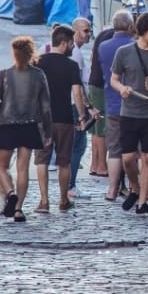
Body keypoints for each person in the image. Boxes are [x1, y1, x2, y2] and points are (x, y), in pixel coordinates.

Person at [110, 12, 148, 217]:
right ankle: (135, 188)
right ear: (142, 31)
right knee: (128, 158)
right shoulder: (124, 52)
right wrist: (122, 88)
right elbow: (114, 79)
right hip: (129, 112)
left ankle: (142, 202)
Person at [0, 36, 52, 222]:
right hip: (29, 125)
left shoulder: (4, 74)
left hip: (7, 124)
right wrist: (47, 132)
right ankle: (18, 209)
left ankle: (10, 192)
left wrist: (1, 101)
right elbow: (46, 106)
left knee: (2, 166)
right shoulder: (39, 75)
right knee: (23, 169)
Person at [35, 25, 89, 212]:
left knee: (42, 160)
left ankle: (43, 201)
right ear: (64, 43)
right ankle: (63, 200)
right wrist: (82, 115)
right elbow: (77, 93)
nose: (73, 47)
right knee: (63, 161)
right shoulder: (71, 66)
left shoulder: (39, 62)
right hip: (64, 118)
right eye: (72, 43)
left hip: (43, 118)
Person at [98, 11, 134, 201]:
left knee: (114, 149)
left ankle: (112, 189)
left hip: (111, 102)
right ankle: (133, 187)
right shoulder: (134, 46)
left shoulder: (103, 46)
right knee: (133, 149)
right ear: (130, 27)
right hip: (132, 104)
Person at [67, 17, 95, 199]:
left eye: (90, 30)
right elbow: (77, 87)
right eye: (85, 30)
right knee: (78, 145)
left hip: (72, 104)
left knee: (75, 146)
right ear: (75, 31)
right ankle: (70, 185)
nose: (89, 34)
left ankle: (69, 184)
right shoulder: (75, 53)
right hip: (73, 105)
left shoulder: (76, 52)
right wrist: (85, 110)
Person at [87, 23, 116, 177]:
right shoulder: (113, 38)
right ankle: (101, 166)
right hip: (101, 84)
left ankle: (94, 164)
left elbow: (92, 57)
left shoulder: (102, 35)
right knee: (101, 127)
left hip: (94, 82)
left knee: (96, 127)